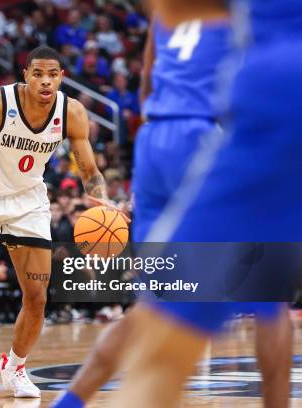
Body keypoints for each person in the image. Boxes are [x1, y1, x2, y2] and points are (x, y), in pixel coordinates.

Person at [53, 13, 293, 408]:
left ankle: (71, 401)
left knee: (155, 305)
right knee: (268, 292)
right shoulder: (242, 10)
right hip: (202, 135)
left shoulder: (169, 10)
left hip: (153, 141)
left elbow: (146, 78)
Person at [0, 46, 127, 399]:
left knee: (36, 297)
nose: (46, 81)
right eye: (38, 74)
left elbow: (90, 171)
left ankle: (15, 366)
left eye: (53, 74)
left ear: (62, 77)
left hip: (29, 204)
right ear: (26, 76)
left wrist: (103, 198)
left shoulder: (72, 113)